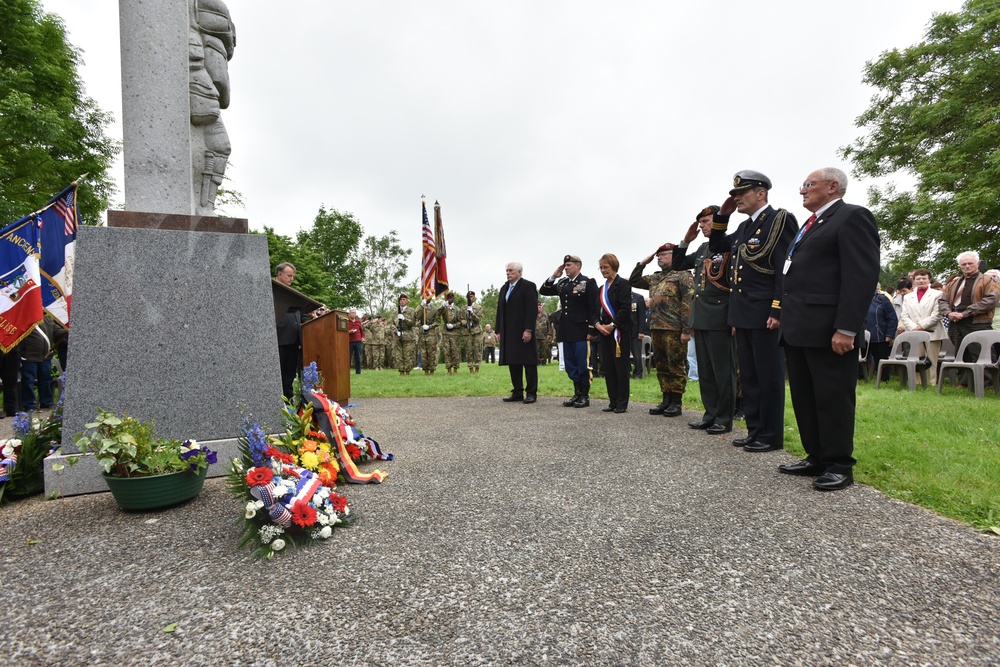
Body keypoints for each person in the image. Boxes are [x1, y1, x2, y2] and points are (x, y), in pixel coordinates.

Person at [779, 167, 880, 491]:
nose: (802, 191)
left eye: (808, 185)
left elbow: (860, 276)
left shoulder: (852, 217)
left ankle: (838, 463)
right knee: (806, 395)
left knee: (832, 396)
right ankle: (817, 456)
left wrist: (847, 328)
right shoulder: (810, 225)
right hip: (799, 327)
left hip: (828, 328)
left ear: (833, 186)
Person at [709, 170, 798, 452]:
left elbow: (786, 266)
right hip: (743, 312)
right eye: (733, 195)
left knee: (768, 375)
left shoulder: (779, 220)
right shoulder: (746, 227)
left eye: (741, 193)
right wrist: (722, 217)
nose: (736, 199)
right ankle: (755, 430)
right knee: (749, 375)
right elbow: (717, 246)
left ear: (761, 193)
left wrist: (778, 307)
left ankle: (771, 435)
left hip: (765, 312)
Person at [673, 205, 737, 435]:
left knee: (722, 371)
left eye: (707, 221)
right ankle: (710, 414)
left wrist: (733, 318)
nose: (702, 225)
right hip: (700, 316)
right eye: (701, 222)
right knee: (706, 371)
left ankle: (724, 417)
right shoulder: (702, 248)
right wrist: (685, 241)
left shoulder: (729, 244)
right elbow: (678, 264)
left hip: (721, 315)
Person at [629, 244, 693, 417]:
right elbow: (633, 281)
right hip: (656, 327)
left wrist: (686, 329)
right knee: (662, 365)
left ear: (674, 256)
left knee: (676, 365)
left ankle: (676, 402)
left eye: (664, 255)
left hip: (674, 328)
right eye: (658, 255)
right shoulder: (655, 278)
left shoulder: (683, 275)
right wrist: (643, 263)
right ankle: (666, 399)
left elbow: (689, 302)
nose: (660, 258)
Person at [539, 254, 599, 408]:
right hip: (566, 330)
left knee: (582, 364)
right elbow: (544, 291)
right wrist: (554, 276)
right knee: (570, 364)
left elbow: (594, 308)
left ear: (578, 266)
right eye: (565, 265)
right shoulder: (563, 283)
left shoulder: (587, 282)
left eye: (569, 265)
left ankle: (585, 396)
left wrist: (592, 329)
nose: (566, 268)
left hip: (581, 330)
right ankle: (577, 393)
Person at [938, 251, 999, 359]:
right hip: (956, 324)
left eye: (970, 263)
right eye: (964, 264)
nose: (967, 266)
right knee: (961, 360)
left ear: (978, 263)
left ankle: (985, 377)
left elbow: (990, 300)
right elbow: (942, 301)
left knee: (984, 359)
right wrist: (948, 313)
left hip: (977, 323)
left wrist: (965, 313)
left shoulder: (988, 280)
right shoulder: (953, 283)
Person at [596, 254, 633, 413]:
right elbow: (595, 311)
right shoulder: (601, 289)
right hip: (604, 333)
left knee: (620, 367)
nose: (603, 270)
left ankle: (621, 402)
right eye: (601, 268)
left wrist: (612, 325)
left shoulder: (623, 284)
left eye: (606, 267)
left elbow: (625, 308)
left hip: (619, 332)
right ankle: (612, 401)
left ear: (614, 267)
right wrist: (598, 325)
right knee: (608, 367)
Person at [497, 262, 539, 403]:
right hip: (509, 332)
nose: (508, 273)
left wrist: (528, 329)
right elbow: (500, 311)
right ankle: (517, 391)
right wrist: (498, 330)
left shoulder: (528, 286)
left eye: (511, 271)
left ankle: (531, 393)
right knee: (513, 361)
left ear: (520, 272)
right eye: (507, 271)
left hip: (523, 331)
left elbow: (531, 310)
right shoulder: (504, 288)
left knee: (528, 361)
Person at [900, 268, 946, 385]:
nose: (921, 281)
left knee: (931, 359)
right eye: (918, 279)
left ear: (929, 279)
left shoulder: (938, 294)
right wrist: (914, 328)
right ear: (914, 280)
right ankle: (917, 382)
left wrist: (921, 326)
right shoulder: (908, 297)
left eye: (924, 278)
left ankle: (931, 383)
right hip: (914, 332)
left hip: (932, 332)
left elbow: (937, 314)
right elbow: (904, 315)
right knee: (917, 358)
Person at [275, 262, 312, 398]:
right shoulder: (272, 291)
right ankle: (278, 399)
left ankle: (288, 398)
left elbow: (301, 312)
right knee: (279, 372)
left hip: (294, 340)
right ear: (279, 275)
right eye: (289, 275)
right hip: (279, 339)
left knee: (290, 372)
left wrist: (307, 320)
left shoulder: (294, 293)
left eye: (293, 276)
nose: (291, 279)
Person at [864, 289, 897, 380]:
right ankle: (861, 376)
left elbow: (892, 318)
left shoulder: (882, 299)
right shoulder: (857, 298)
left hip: (879, 336)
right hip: (861, 336)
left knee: (881, 358)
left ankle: (884, 378)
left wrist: (889, 334)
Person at [415, 298, 441, 374]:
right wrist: (421, 306)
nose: (426, 299)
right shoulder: (420, 307)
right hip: (422, 333)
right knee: (423, 353)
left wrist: (429, 326)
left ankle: (432, 370)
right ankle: (425, 370)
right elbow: (417, 316)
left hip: (431, 334)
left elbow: (438, 322)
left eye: (428, 297)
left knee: (432, 353)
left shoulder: (435, 309)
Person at [440, 292, 463, 374]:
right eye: (448, 298)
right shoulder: (444, 308)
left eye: (451, 297)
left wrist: (453, 325)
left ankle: (455, 369)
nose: (450, 299)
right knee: (447, 352)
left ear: (453, 299)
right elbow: (437, 314)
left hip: (455, 333)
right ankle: (449, 369)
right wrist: (442, 306)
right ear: (446, 299)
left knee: (455, 352)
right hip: (446, 333)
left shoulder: (457, 309)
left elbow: (462, 322)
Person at [394, 294, 417, 375]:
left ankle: (407, 372)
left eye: (404, 299)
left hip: (408, 335)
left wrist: (404, 319)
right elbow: (391, 324)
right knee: (399, 355)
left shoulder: (411, 311)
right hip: (398, 335)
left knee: (408, 355)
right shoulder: (395, 312)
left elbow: (413, 323)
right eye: (401, 300)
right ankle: (401, 372)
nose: (402, 301)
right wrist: (396, 331)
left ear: (407, 301)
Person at [464, 291, 484, 373]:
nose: (470, 298)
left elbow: (478, 319)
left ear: (474, 297)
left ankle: (477, 368)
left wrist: (472, 313)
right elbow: (460, 319)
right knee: (469, 350)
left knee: (477, 349)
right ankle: (470, 368)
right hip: (468, 331)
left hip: (476, 331)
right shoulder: (463, 308)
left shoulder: (479, 307)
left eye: (471, 296)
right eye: (469, 297)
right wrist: (466, 323)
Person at [630, 290, 648, 379]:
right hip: (623, 331)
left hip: (635, 331)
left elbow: (642, 316)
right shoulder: (620, 297)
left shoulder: (638, 298)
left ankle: (638, 373)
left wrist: (641, 331)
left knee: (637, 355)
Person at [535, 301, 553, 365]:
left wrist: (549, 334)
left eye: (540, 307)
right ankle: (537, 361)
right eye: (537, 307)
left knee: (544, 350)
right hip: (535, 336)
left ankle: (544, 362)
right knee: (536, 350)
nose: (539, 308)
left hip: (544, 336)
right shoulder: (532, 315)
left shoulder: (546, 315)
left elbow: (549, 326)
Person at [347, 308, 364, 375]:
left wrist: (362, 337)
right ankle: (347, 371)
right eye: (352, 312)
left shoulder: (358, 322)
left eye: (354, 313)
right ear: (349, 313)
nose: (353, 314)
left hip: (358, 341)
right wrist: (349, 332)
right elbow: (343, 331)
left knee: (358, 357)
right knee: (349, 357)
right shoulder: (346, 321)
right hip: (350, 341)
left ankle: (358, 371)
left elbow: (362, 331)